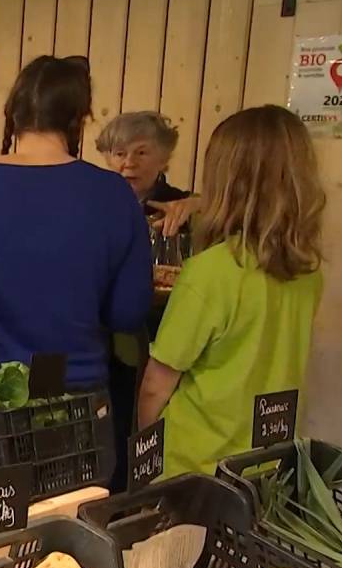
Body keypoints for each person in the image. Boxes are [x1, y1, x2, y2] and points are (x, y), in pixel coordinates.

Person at [0, 56, 152, 392]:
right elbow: (128, 313)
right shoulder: (113, 194)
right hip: (80, 397)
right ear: (79, 120)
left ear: (12, 116)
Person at [138, 105, 324, 478]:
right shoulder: (309, 271)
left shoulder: (211, 272)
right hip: (267, 463)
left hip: (193, 469)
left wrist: (142, 448)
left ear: (225, 179)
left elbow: (156, 387)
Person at [96, 111, 199, 245]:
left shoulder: (182, 205)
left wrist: (200, 205)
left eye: (141, 153)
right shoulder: (94, 203)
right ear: (108, 160)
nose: (130, 163)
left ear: (163, 159)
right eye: (120, 154)